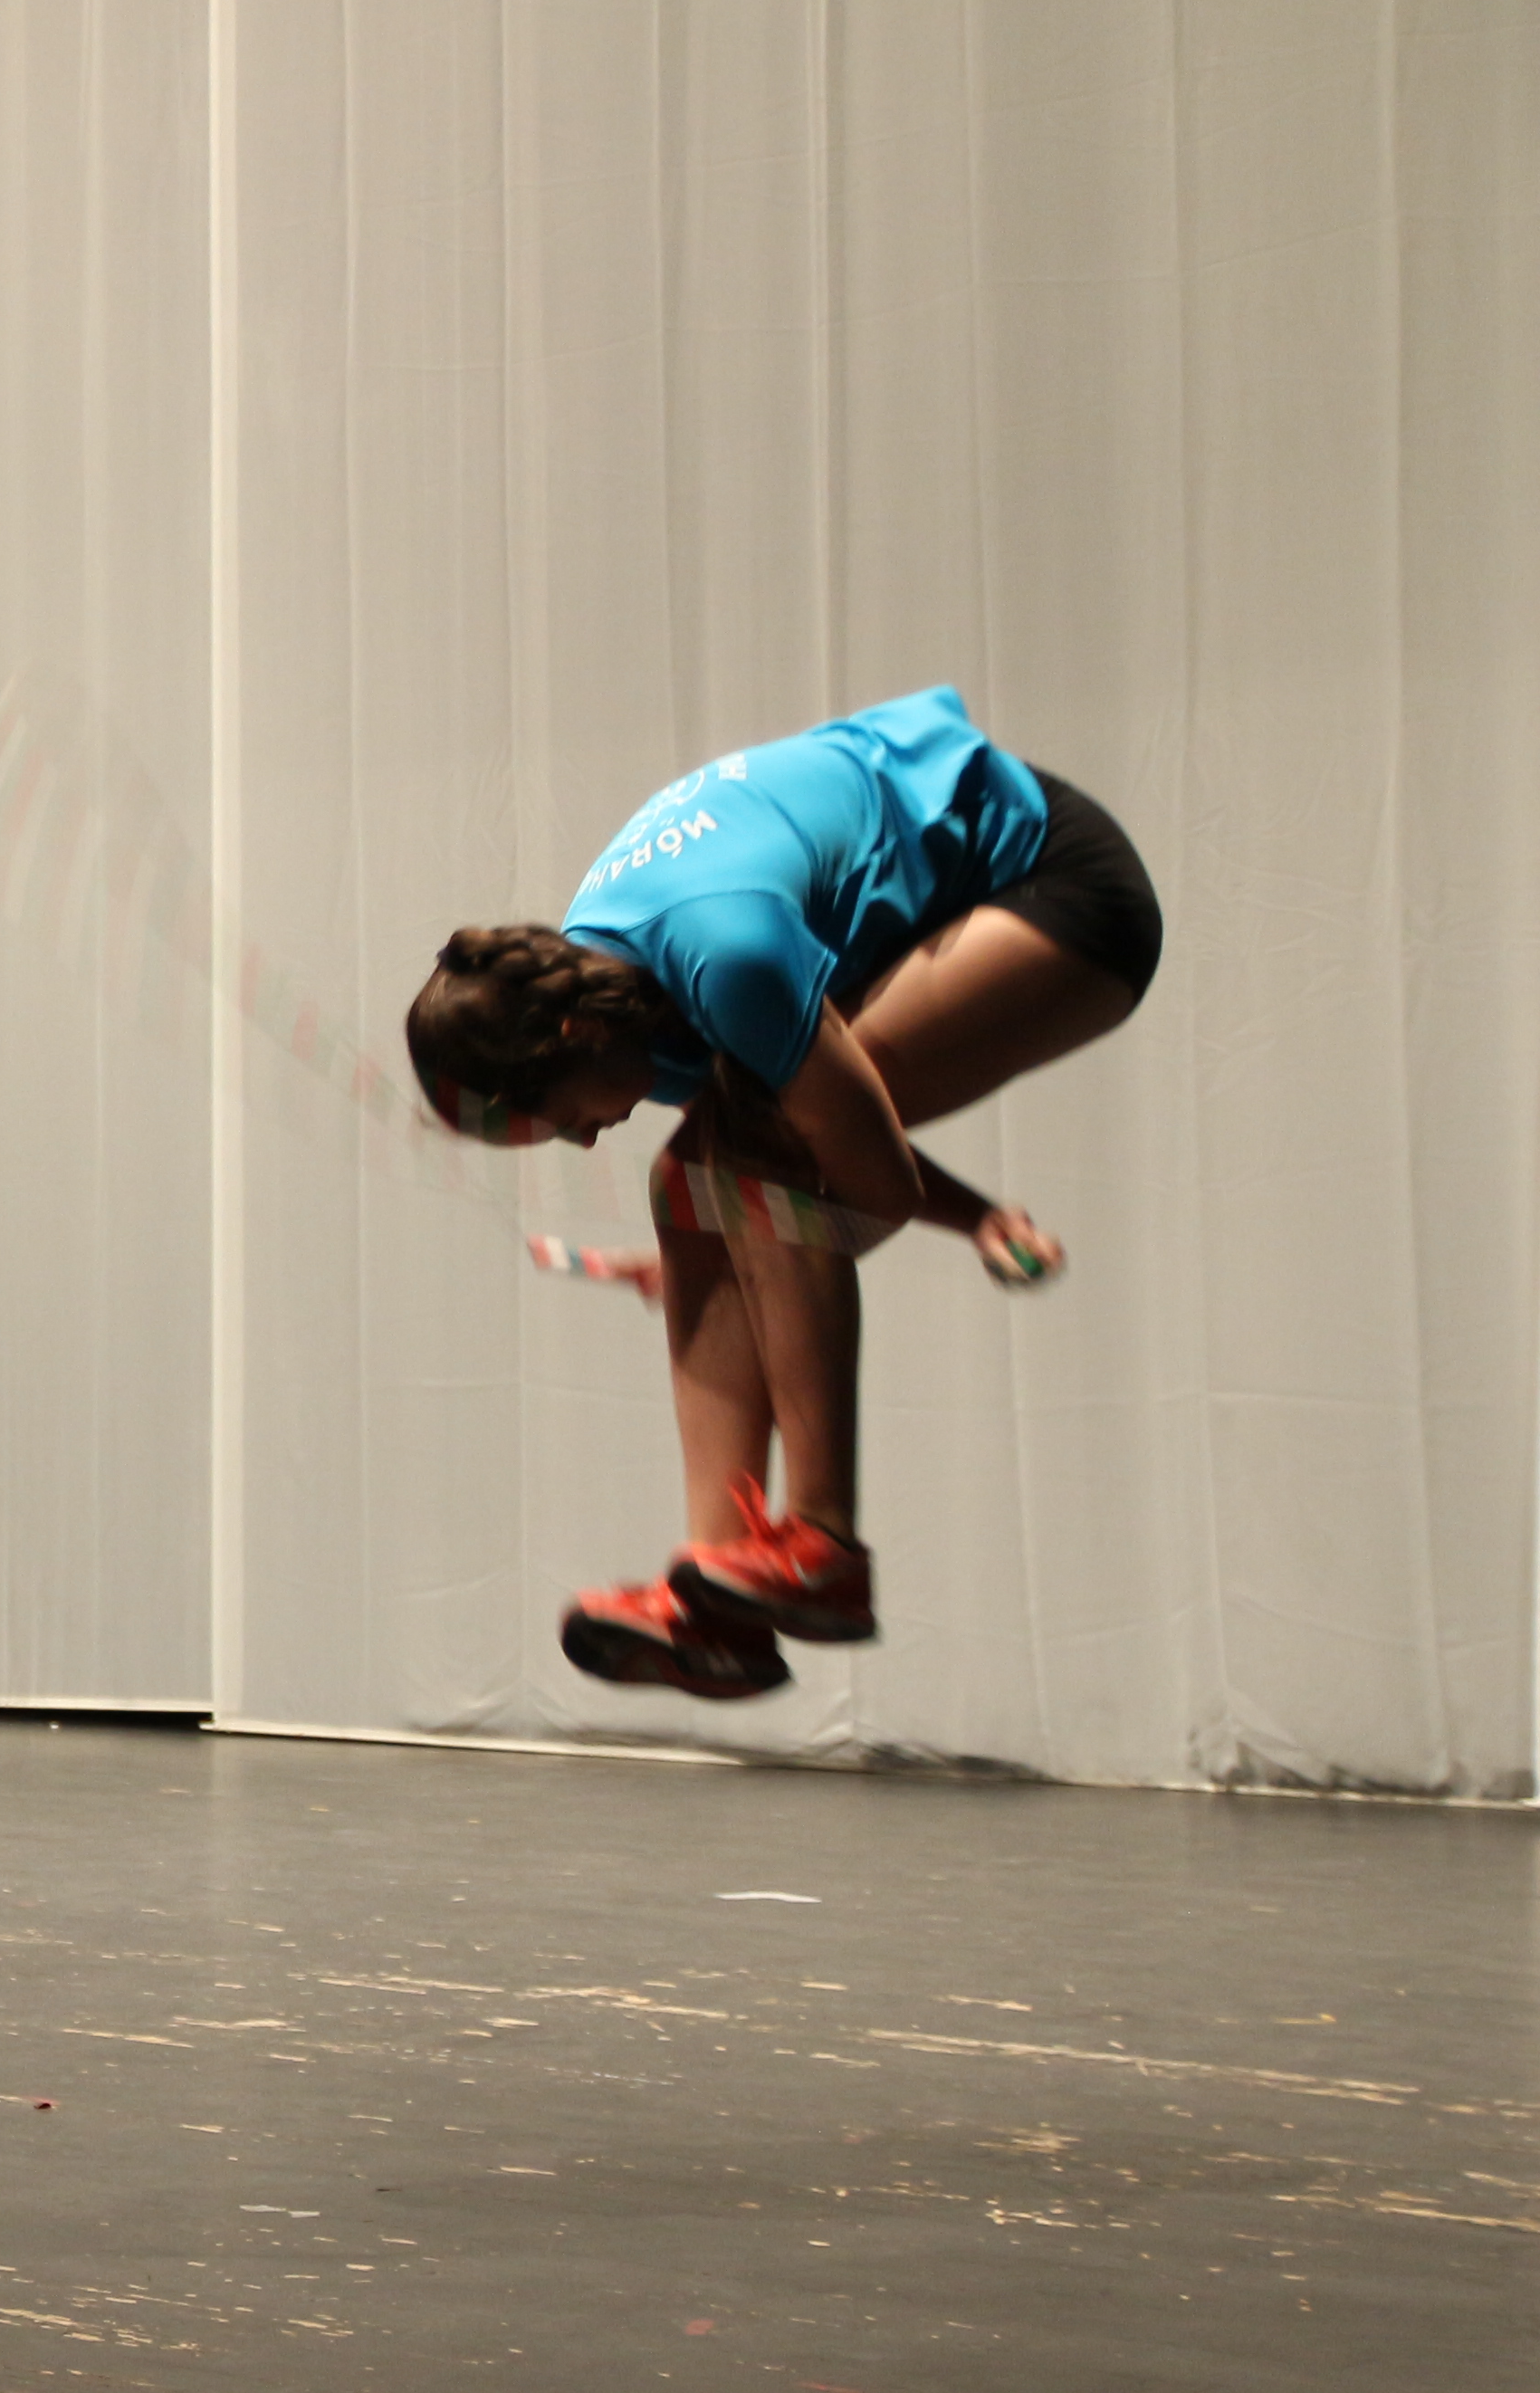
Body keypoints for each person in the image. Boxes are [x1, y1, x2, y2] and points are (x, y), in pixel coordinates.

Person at [404, 686, 1162, 1699]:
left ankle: (825, 1545)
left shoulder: (724, 957)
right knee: (689, 1183)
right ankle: (716, 1600)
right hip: (933, 903)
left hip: (1060, 884)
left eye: (567, 1120)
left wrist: (768, 1263)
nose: (586, 1139)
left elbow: (868, 1184)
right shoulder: (614, 994)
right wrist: (740, 1256)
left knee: (748, 1166)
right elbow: (821, 1147)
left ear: (576, 1039)